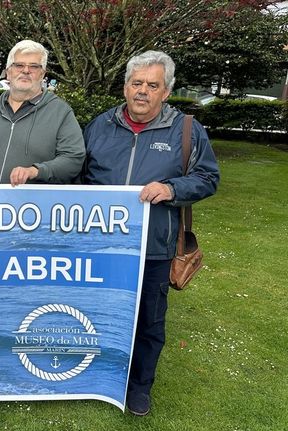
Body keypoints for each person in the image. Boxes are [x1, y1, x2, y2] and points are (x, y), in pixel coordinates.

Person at [82, 50, 220, 416]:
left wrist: (172, 189)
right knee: (98, 314)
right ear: (126, 86)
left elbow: (208, 178)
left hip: (154, 247)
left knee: (148, 321)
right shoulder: (100, 125)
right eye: (137, 83)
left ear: (166, 91)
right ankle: (95, 375)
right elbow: (80, 176)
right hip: (101, 246)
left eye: (152, 85)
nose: (143, 91)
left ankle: (139, 387)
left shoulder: (187, 129)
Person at [0, 40, 84, 185]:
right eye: (19, 65)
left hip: (31, 205)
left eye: (34, 66)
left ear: (42, 74)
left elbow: (73, 158)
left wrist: (36, 171)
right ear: (8, 72)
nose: (26, 71)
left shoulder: (60, 112)